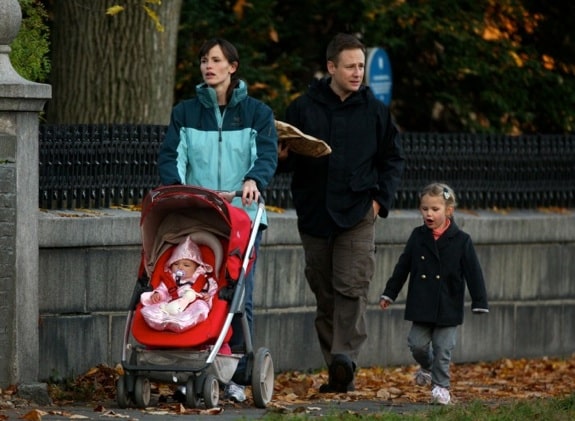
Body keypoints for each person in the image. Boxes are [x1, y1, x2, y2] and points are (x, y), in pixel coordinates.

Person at [278, 33, 405, 393]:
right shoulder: (303, 108)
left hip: (358, 212)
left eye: (361, 66)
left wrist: (379, 201)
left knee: (352, 287)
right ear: (331, 67)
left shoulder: (376, 112)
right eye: (350, 66)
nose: (357, 72)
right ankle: (336, 368)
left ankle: (344, 359)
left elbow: (392, 160)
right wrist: (282, 158)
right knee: (325, 292)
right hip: (315, 213)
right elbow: (284, 160)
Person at [157, 37, 278, 402]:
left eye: (215, 60)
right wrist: (175, 190)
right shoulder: (185, 113)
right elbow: (171, 157)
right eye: (203, 60)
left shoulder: (257, 113)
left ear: (232, 66)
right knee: (191, 291)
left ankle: (237, 374)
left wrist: (253, 179)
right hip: (199, 215)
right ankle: (193, 363)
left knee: (238, 297)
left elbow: (267, 154)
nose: (208, 66)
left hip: (242, 215)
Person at [379, 182, 489, 405]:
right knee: (416, 343)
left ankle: (441, 387)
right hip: (422, 304)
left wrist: (479, 301)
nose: (429, 214)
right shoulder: (418, 236)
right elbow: (403, 266)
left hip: (448, 304)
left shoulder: (461, 240)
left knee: (443, 348)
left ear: (449, 210)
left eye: (435, 209)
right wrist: (390, 293)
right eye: (425, 209)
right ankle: (427, 367)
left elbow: (474, 273)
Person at [140, 235, 222, 337]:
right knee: (155, 307)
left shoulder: (204, 280)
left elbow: (213, 291)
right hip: (171, 303)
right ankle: (164, 320)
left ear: (197, 267)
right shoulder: (170, 279)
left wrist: (208, 297)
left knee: (201, 306)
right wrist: (158, 294)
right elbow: (163, 289)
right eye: (176, 264)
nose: (180, 267)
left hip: (192, 304)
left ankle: (182, 321)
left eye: (186, 265)